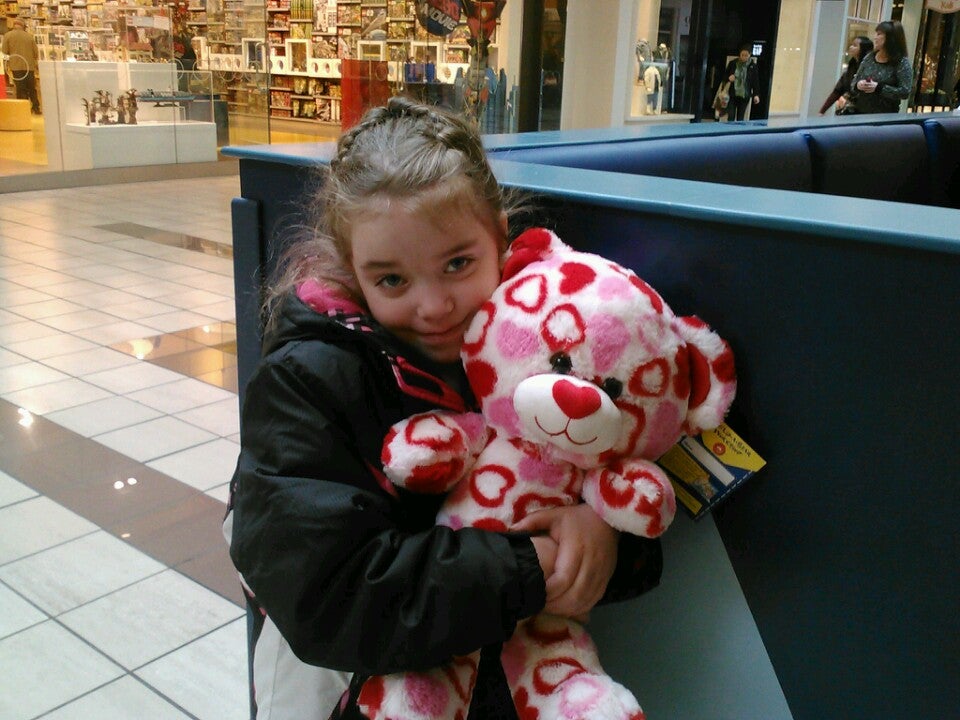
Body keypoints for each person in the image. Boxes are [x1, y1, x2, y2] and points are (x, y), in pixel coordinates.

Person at [225, 96, 663, 720]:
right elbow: (326, 592)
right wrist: (534, 562)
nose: (434, 307)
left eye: (457, 264)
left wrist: (602, 540)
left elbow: (620, 467)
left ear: (500, 240)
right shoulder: (308, 380)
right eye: (393, 281)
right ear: (352, 271)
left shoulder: (548, 340)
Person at [841, 20, 912, 115]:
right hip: (860, 114)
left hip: (885, 117)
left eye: (879, 34)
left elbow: (905, 91)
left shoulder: (901, 62)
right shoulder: (869, 57)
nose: (875, 37)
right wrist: (859, 85)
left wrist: (879, 88)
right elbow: (854, 83)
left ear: (891, 38)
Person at [819, 35, 873, 115]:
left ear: (863, 49)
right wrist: (822, 110)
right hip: (851, 110)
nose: (851, 47)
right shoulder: (851, 67)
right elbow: (837, 90)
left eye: (855, 45)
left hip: (866, 112)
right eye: (851, 45)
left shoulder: (870, 67)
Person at [2, 18, 40, 114]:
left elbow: (4, 53)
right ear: (23, 26)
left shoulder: (8, 36)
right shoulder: (29, 36)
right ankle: (36, 107)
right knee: (31, 88)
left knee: (20, 88)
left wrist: (8, 63)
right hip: (29, 66)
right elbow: (36, 53)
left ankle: (23, 109)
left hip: (16, 66)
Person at [724, 44, 760, 121]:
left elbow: (755, 81)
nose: (744, 57)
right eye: (742, 55)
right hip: (733, 94)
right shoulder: (733, 63)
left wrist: (756, 95)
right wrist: (729, 78)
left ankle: (738, 132)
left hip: (745, 95)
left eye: (746, 55)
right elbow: (724, 76)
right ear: (739, 54)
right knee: (731, 115)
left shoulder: (752, 66)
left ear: (750, 55)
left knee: (740, 117)